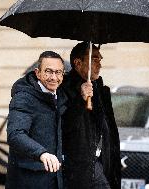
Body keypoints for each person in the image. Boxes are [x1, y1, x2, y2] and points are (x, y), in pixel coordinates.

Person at [62, 42, 121, 189]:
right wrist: (79, 99)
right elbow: (64, 126)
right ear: (77, 63)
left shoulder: (99, 89)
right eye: (95, 60)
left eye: (100, 60)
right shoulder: (64, 88)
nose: (99, 65)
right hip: (80, 166)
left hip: (102, 161)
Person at [5, 51, 67, 189]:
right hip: (29, 180)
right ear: (37, 73)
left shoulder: (61, 96)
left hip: (55, 179)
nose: (54, 77)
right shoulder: (23, 97)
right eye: (48, 71)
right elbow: (15, 134)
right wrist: (42, 153)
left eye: (58, 72)